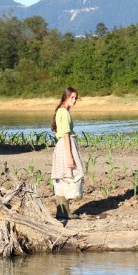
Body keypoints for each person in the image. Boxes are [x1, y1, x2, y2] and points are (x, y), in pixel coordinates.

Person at [51, 87, 83, 219]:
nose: (74, 100)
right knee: (68, 175)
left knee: (64, 176)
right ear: (65, 97)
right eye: (72, 97)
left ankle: (63, 211)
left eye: (76, 98)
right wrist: (70, 156)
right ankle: (63, 211)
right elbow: (65, 134)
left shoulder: (62, 111)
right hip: (65, 146)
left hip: (64, 145)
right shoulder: (63, 112)